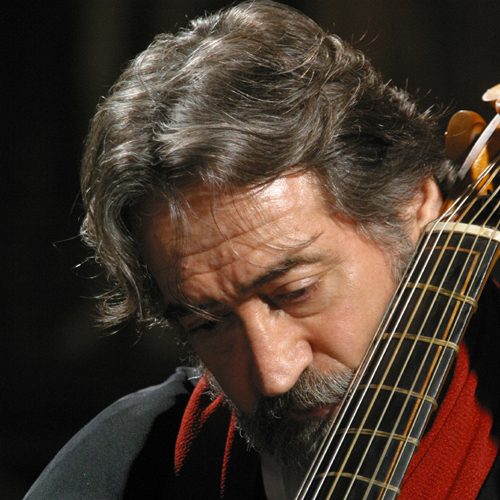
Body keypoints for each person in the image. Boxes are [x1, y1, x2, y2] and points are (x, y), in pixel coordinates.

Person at [25, 1, 500, 498]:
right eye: (209, 323)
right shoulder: (124, 469)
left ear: (413, 208)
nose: (274, 375)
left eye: (296, 291)